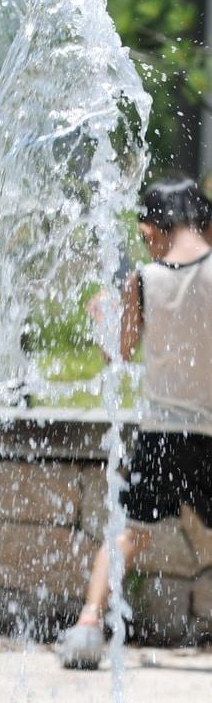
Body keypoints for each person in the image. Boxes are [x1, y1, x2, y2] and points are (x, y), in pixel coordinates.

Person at [59, 175, 212, 669]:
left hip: (160, 435)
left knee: (129, 532)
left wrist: (101, 317)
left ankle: (86, 628)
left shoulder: (142, 280)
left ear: (155, 229)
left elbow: (118, 355)